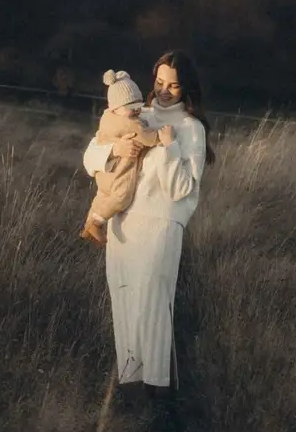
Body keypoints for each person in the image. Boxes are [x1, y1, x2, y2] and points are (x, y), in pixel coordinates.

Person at [82, 50, 211, 396]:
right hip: (123, 225)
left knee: (153, 310)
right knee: (124, 305)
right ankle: (129, 401)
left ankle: (159, 400)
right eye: (159, 82)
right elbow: (90, 157)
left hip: (160, 228)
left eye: (174, 85)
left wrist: (168, 149)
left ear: (187, 88)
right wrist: (114, 152)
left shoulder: (192, 129)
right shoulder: (135, 114)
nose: (165, 90)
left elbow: (183, 188)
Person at [79, 69, 173, 246]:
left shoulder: (108, 117)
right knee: (121, 196)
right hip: (118, 172)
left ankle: (88, 225)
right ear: (116, 107)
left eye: (138, 104)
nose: (136, 109)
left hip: (105, 176)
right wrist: (162, 137)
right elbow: (147, 137)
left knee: (101, 196)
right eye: (131, 107)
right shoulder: (131, 124)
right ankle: (98, 223)